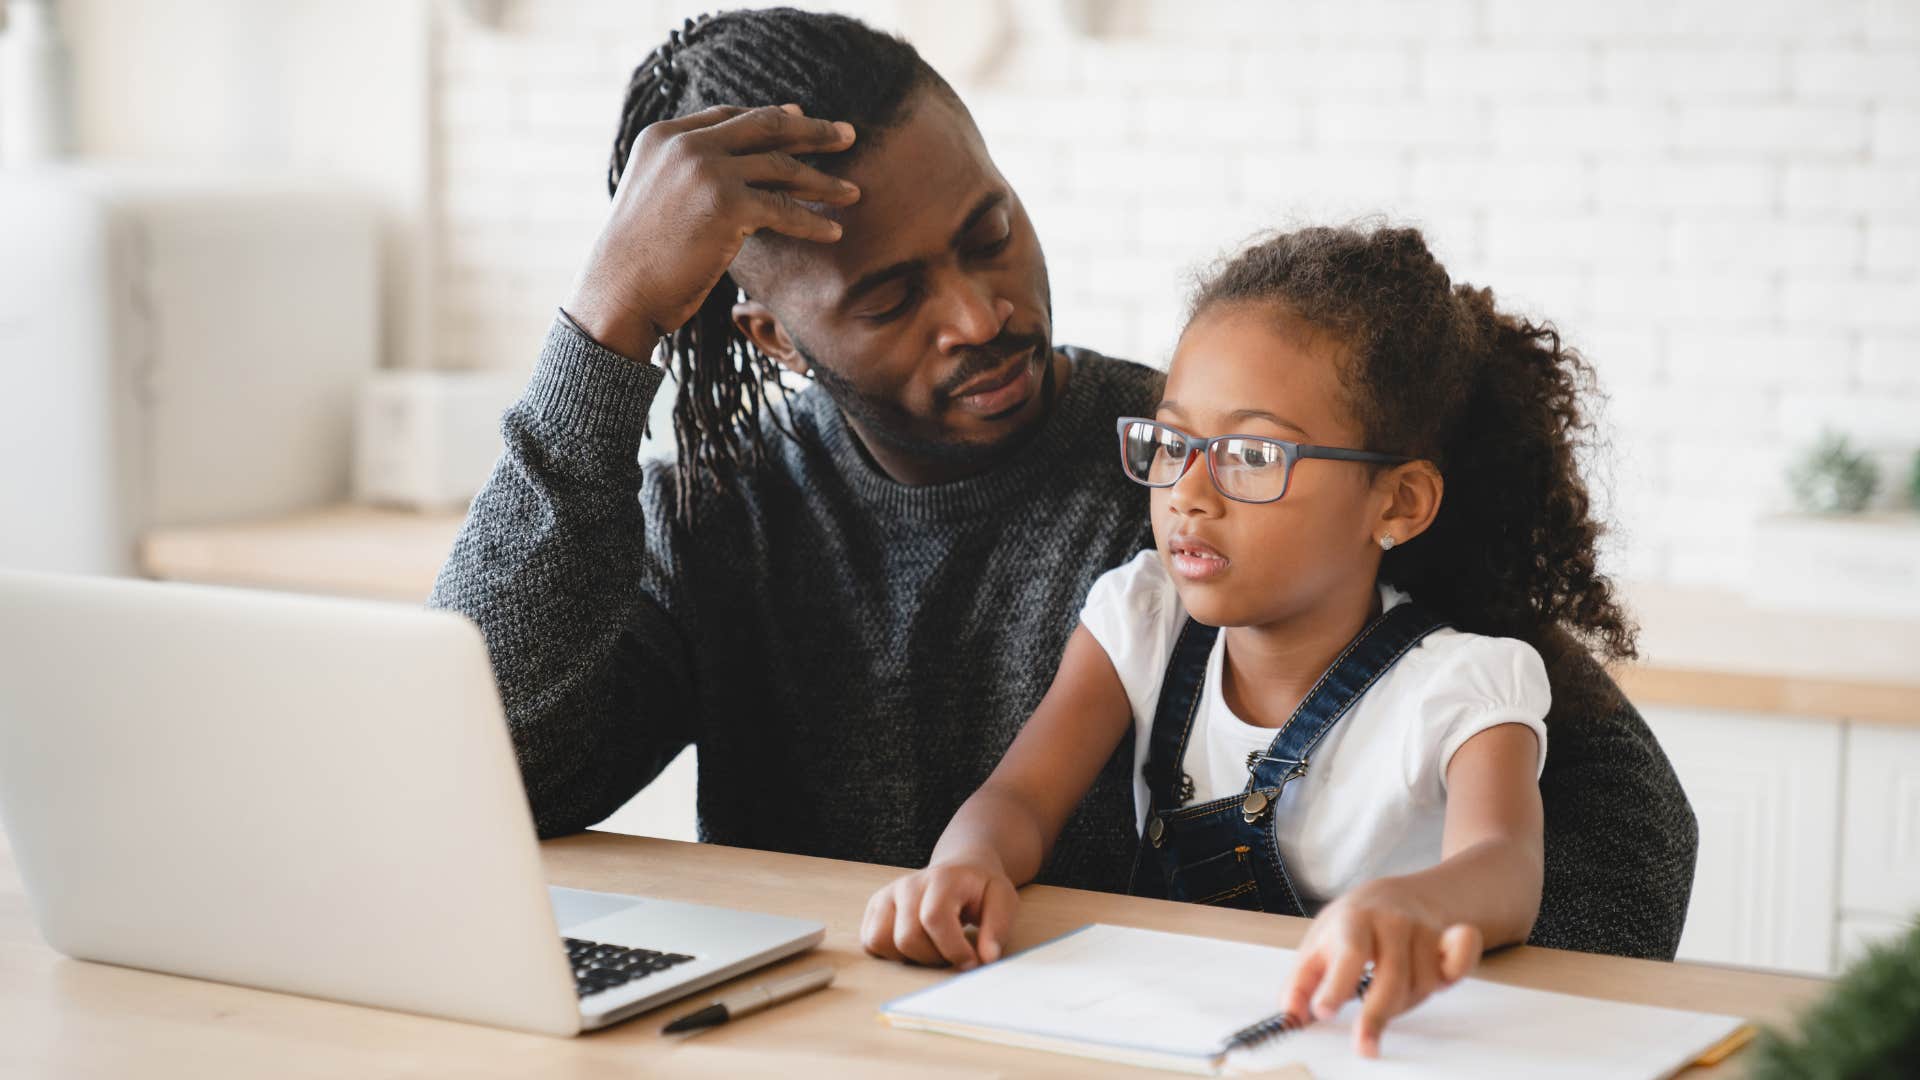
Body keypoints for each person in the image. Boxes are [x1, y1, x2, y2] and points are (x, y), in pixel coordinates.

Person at [427, 8, 1697, 961]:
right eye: (890, 298)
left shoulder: (1225, 485)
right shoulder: (722, 516)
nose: (980, 314)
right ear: (774, 337)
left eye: (989, 234)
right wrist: (607, 328)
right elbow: (484, 781)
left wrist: (1385, 969)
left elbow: (1631, 819)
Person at [861, 223, 1639, 1054]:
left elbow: (1506, 868)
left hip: (1369, 1045)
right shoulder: (1142, 617)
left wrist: (1414, 905)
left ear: (1398, 503)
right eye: (1172, 442)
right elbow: (1019, 798)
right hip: (1165, 1034)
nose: (1188, 492)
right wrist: (967, 863)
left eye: (1253, 454)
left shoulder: (1463, 686)